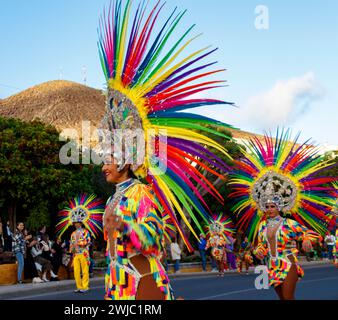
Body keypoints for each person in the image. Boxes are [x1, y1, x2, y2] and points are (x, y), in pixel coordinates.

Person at [97, 0, 234, 300]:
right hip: (118, 283)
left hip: (140, 281)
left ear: (125, 160)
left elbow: (154, 237)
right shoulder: (115, 196)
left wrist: (124, 224)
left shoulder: (140, 194)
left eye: (108, 159)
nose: (103, 165)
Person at [229, 130, 335, 300]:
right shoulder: (262, 225)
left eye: (273, 206)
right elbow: (261, 245)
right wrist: (257, 251)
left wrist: (307, 239)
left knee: (288, 297)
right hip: (271, 265)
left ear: (279, 207)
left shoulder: (288, 223)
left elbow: (310, 233)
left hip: (288, 262)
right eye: (267, 206)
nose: (269, 209)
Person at [70, 222, 91, 293]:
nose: (76, 224)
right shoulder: (73, 233)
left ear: (81, 223)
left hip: (83, 253)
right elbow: (71, 244)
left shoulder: (86, 232)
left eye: (77, 223)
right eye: (75, 223)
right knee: (76, 271)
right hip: (76, 254)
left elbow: (88, 241)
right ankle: (79, 287)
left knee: (85, 271)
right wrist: (72, 249)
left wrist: (77, 243)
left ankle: (85, 287)